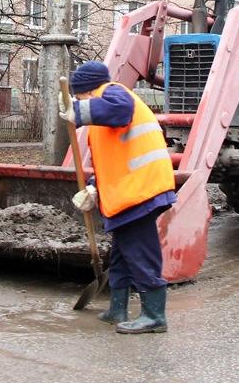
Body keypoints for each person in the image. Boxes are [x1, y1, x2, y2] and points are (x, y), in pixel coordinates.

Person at [60, 60, 176, 334]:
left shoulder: (114, 93)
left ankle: (154, 316)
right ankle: (118, 308)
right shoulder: (102, 116)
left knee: (140, 252)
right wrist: (93, 186)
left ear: (87, 91)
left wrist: (76, 110)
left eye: (78, 96)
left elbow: (120, 111)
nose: (78, 101)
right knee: (122, 254)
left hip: (142, 191)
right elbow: (111, 159)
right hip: (130, 191)